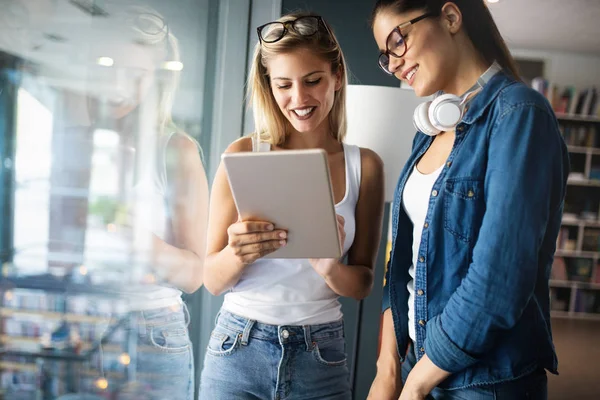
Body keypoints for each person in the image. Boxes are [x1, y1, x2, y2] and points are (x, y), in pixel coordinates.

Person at [368, 1, 569, 399]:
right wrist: (387, 368)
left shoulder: (520, 114)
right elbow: (403, 264)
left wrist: (417, 383)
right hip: (416, 367)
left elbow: (500, 279)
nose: (393, 63)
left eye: (397, 41)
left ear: (451, 17)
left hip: (482, 382)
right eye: (385, 56)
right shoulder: (426, 133)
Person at [199, 12, 385, 400]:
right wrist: (237, 254)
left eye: (313, 81)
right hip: (238, 347)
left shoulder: (363, 165)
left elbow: (364, 283)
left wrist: (331, 268)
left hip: (321, 353)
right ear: (269, 86)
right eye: (284, 85)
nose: (299, 99)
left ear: (336, 75)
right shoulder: (243, 153)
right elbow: (212, 281)